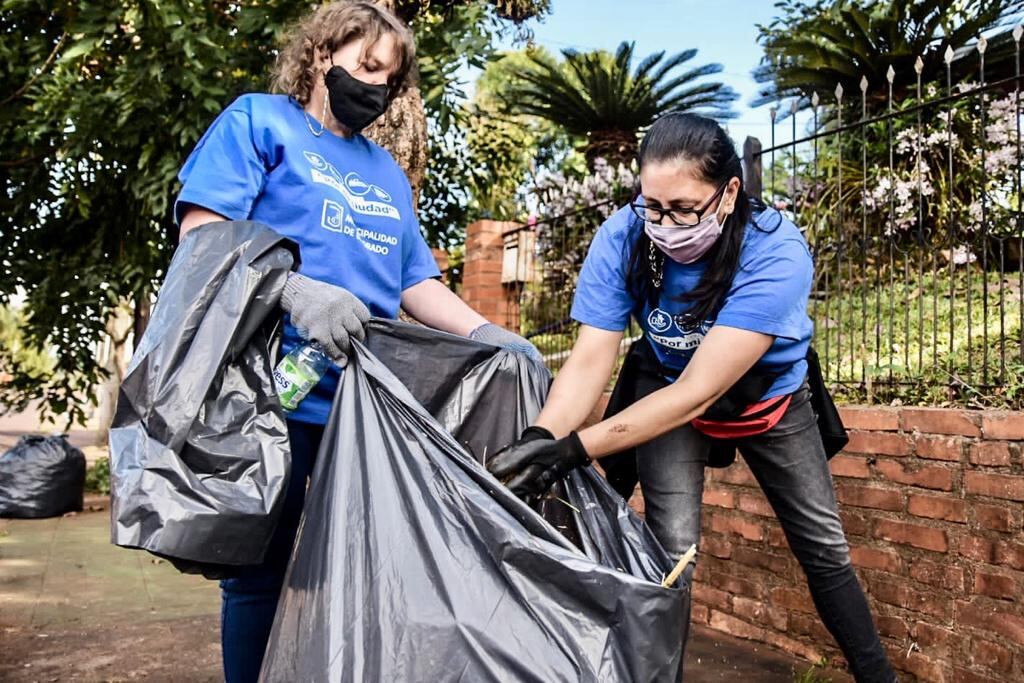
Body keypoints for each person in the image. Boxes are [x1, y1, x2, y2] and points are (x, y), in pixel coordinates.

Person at [174, 2, 539, 680]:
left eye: (389, 79)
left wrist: (488, 332)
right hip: (271, 396)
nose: (374, 86)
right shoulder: (259, 123)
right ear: (319, 54)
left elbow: (413, 282)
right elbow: (203, 234)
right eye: (366, 66)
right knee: (260, 574)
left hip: (363, 410)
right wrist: (291, 290)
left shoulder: (385, 174)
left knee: (367, 576)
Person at [488, 113, 897, 683]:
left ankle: (877, 677)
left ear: (729, 192)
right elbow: (588, 360)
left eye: (683, 208)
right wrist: (543, 437)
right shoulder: (624, 236)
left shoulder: (775, 249)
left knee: (823, 547)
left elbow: (700, 391)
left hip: (768, 398)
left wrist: (574, 450)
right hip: (665, 383)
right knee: (673, 550)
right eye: (652, 205)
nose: (663, 223)